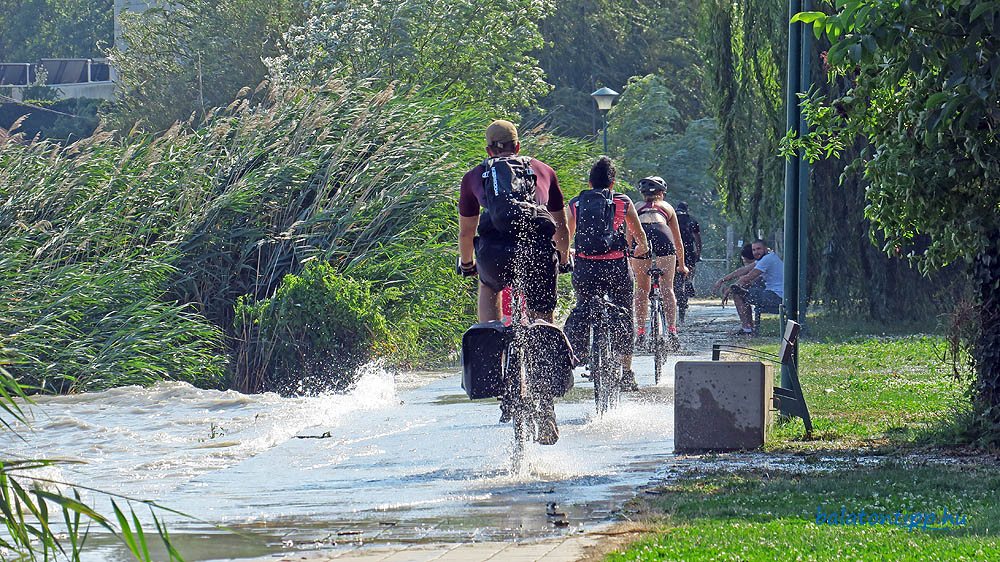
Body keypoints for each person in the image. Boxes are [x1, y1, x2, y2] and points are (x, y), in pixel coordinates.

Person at [457, 119, 571, 444]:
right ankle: (546, 402)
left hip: (494, 256)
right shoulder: (543, 170)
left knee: (488, 284)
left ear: (488, 149)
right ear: (518, 146)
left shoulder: (475, 176)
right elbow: (561, 228)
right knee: (541, 320)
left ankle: (491, 338)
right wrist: (562, 258)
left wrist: (468, 263)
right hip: (537, 252)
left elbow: (467, 232)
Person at [565, 157, 649, 392]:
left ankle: (580, 352)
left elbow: (566, 236)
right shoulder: (623, 201)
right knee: (624, 311)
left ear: (589, 182)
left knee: (584, 305)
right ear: (612, 183)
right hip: (617, 268)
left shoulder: (576, 203)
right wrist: (642, 249)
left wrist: (566, 256)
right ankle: (627, 372)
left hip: (585, 269)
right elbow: (639, 234)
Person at [631, 177, 688, 353]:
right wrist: (682, 265)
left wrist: (629, 254)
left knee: (641, 289)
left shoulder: (636, 206)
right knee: (667, 288)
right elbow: (678, 240)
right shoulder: (668, 207)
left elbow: (629, 235)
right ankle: (672, 330)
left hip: (641, 236)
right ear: (662, 193)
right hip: (663, 235)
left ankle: (640, 332)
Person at [719, 239, 783, 335]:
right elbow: (743, 270)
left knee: (738, 293)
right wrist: (722, 280)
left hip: (776, 297)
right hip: (775, 294)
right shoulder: (767, 258)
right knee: (742, 292)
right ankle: (748, 328)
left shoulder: (767, 259)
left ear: (765, 248)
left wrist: (729, 290)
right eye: (754, 250)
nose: (756, 252)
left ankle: (747, 330)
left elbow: (748, 277)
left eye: (759, 249)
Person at [672, 201, 702, 322]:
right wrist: (698, 253)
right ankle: (689, 281)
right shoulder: (692, 221)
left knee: (673, 272)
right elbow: (697, 239)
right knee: (691, 265)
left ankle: (672, 285)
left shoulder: (671, 218)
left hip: (673, 249)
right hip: (688, 248)